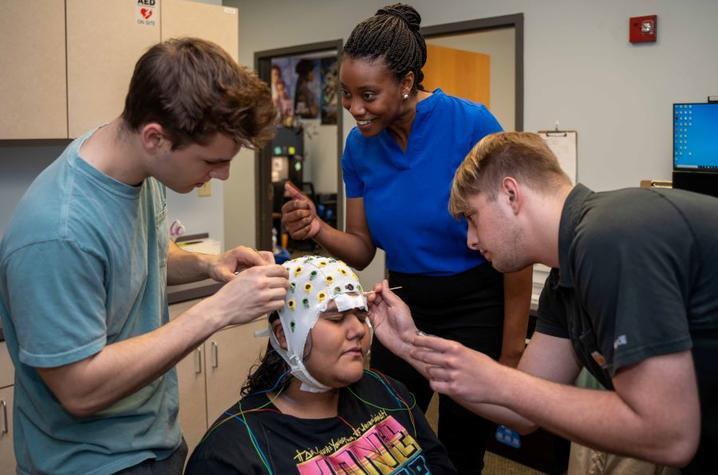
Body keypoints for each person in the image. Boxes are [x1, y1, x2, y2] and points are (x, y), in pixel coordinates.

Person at [0, 37, 289, 475]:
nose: (223, 175)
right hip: (91, 465)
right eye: (212, 161)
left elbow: (143, 252)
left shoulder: (140, 169)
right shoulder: (56, 232)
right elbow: (80, 390)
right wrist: (216, 311)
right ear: (155, 137)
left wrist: (207, 264)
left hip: (156, 442)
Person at [369, 131, 718, 473]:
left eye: (472, 218)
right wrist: (408, 344)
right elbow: (522, 414)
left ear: (510, 194)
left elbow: (668, 434)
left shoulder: (609, 237)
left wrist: (497, 378)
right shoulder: (564, 277)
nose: (471, 241)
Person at [281, 4, 532, 472]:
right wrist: (317, 230)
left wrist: (511, 351)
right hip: (402, 304)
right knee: (385, 433)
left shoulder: (472, 125)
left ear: (407, 82)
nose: (355, 108)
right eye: (347, 94)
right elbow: (361, 247)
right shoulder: (359, 146)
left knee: (462, 448)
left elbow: (518, 247)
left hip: (476, 304)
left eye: (369, 95)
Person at [185, 256, 455, 474]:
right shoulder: (230, 455)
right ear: (284, 335)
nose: (357, 330)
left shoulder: (387, 391)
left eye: (361, 315)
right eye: (336, 318)